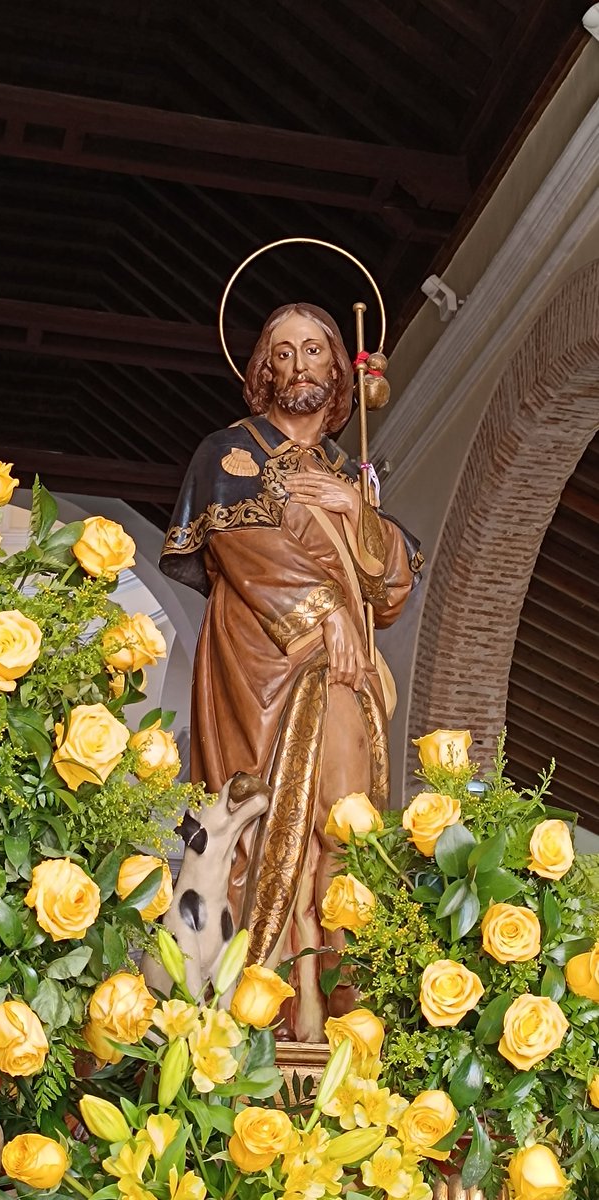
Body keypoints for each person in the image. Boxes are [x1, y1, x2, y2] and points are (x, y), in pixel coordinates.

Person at [160, 302, 421, 1039]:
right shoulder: (229, 453)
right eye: (281, 352)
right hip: (265, 665)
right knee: (267, 815)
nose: (298, 365)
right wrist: (322, 613)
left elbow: (392, 590)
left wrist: (358, 511)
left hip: (345, 673)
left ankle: (329, 995)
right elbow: (244, 552)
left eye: (313, 350)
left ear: (339, 370)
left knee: (340, 821)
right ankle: (261, 994)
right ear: (261, 370)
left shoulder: (350, 469)